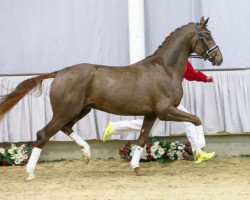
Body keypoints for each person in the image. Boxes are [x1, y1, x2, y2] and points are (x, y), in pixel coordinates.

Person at [102, 61, 215, 164]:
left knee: (147, 125)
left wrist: (205, 79)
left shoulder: (184, 62)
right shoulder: (168, 61)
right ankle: (198, 152)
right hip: (164, 100)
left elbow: (191, 75)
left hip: (168, 100)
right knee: (189, 121)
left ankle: (115, 127)